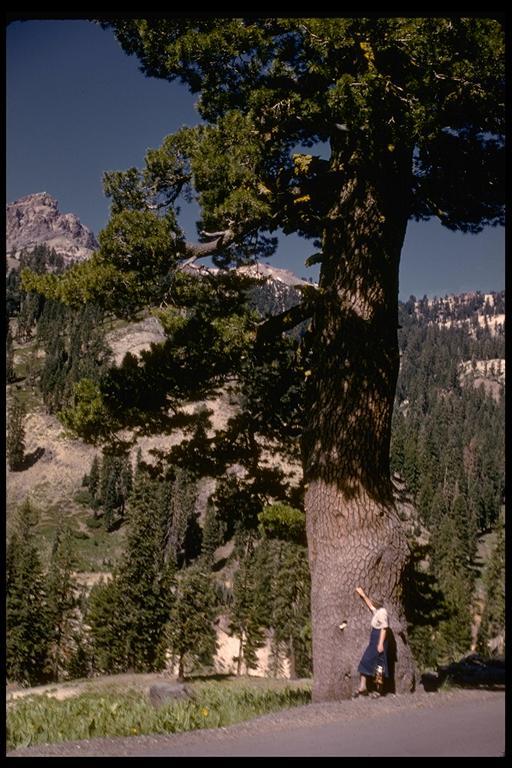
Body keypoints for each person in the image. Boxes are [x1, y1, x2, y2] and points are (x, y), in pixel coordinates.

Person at [353, 585, 389, 698]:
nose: (372, 602)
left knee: (379, 665)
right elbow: (370, 606)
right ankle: (363, 686)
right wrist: (363, 595)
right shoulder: (377, 610)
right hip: (373, 638)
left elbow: (384, 628)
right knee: (365, 661)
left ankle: (378, 690)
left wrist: (380, 644)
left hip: (379, 638)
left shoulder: (383, 612)